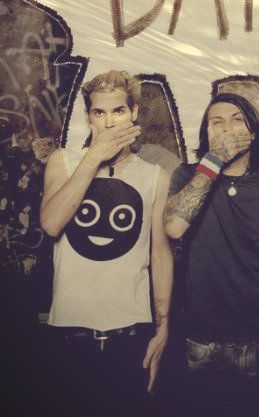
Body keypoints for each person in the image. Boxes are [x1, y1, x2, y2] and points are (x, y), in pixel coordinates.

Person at [40, 71, 173, 417]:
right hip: (69, 334)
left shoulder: (155, 177)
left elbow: (160, 253)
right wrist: (92, 158)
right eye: (99, 113)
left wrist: (163, 327)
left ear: (133, 113)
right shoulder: (64, 161)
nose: (109, 122)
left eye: (118, 111)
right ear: (88, 117)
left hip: (130, 336)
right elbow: (52, 224)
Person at [163, 92, 259, 416]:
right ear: (207, 134)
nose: (226, 128)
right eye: (216, 122)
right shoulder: (188, 176)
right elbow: (173, 227)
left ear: (253, 133)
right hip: (204, 339)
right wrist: (214, 160)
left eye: (236, 120)